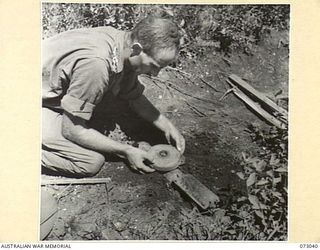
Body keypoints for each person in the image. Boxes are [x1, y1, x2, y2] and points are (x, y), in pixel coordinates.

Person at [42, 15, 186, 177]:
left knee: (109, 101)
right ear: (137, 50)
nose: (155, 74)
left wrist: (167, 126)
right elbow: (72, 130)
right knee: (90, 162)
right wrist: (126, 151)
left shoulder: (123, 44)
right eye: (154, 66)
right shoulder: (97, 65)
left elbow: (133, 96)